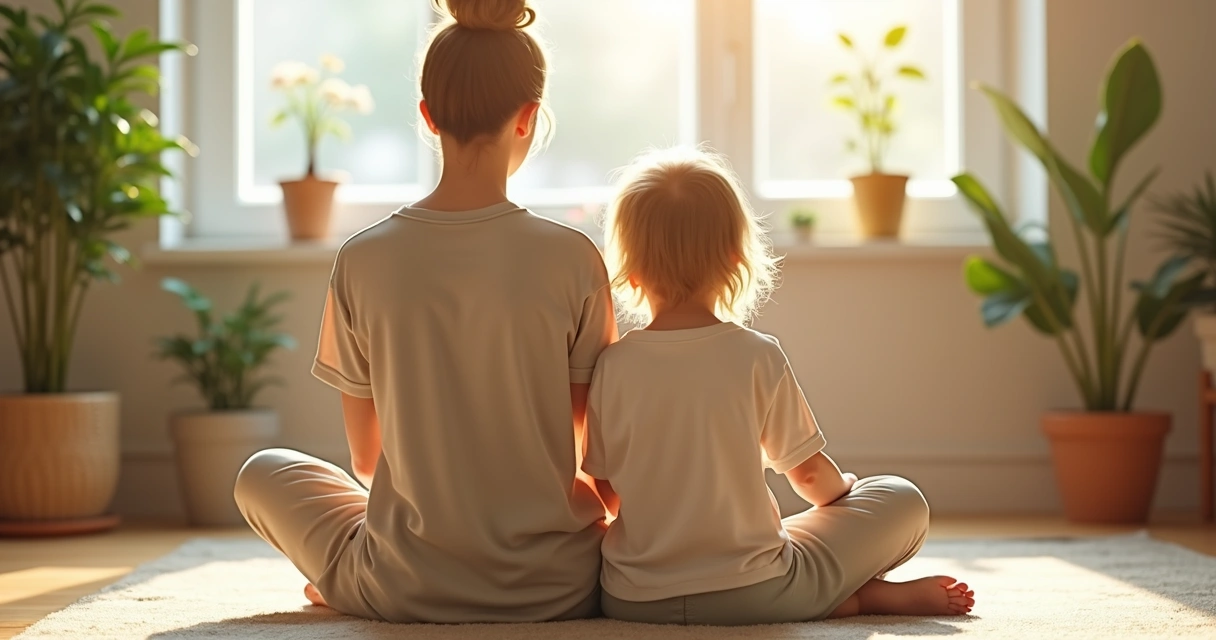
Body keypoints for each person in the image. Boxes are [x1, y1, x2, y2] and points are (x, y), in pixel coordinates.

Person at [233, 0, 616, 622]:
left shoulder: (361, 259)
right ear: (529, 119)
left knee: (262, 471)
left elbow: (364, 461)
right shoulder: (574, 258)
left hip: (405, 586)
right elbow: (587, 456)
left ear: (427, 115)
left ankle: (346, 581)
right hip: (560, 588)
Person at [584, 147, 976, 625]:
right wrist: (845, 494)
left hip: (632, 600)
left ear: (632, 269)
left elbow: (606, 487)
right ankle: (866, 599)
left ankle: (842, 592)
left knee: (779, 544)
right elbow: (809, 477)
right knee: (900, 497)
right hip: (754, 595)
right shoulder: (756, 354)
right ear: (734, 257)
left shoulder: (614, 364)